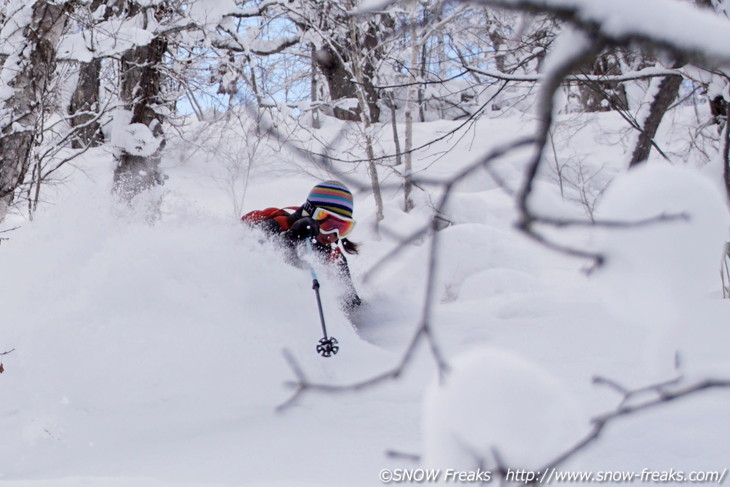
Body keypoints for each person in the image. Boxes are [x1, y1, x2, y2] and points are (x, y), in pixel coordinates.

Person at [242, 180, 362, 312]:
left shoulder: (334, 256)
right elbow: (249, 266)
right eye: (329, 224)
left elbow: (353, 307)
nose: (333, 235)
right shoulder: (275, 226)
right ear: (310, 213)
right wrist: (291, 239)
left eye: (342, 227)